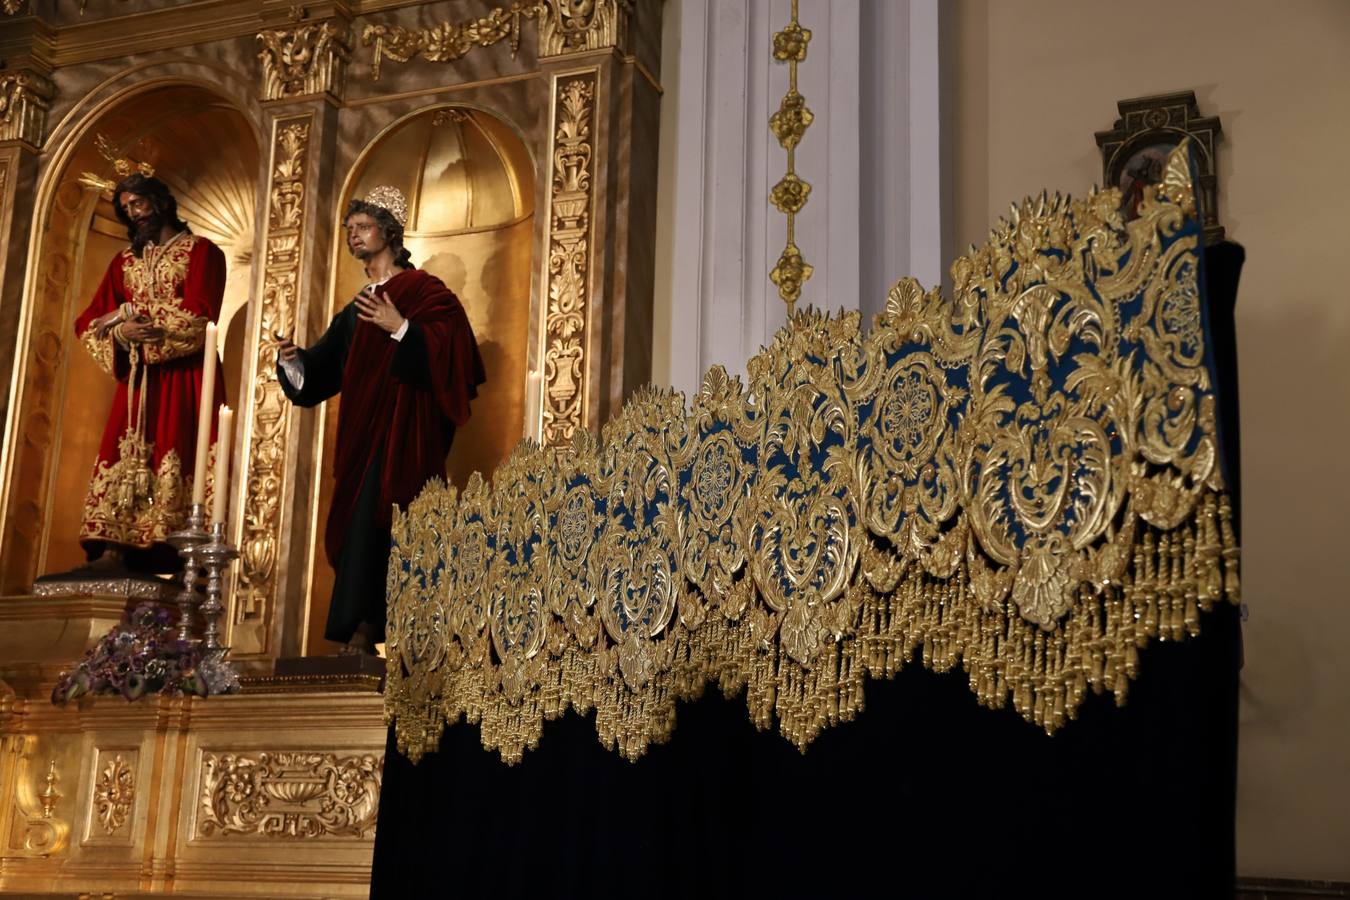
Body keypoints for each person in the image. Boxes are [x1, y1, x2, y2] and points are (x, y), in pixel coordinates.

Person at [277, 186, 485, 655]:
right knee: (356, 523)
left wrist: (402, 329)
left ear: (390, 232)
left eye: (363, 227)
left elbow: (453, 354)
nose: (354, 236)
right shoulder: (357, 307)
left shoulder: (425, 291)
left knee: (386, 521)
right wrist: (294, 360)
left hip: (403, 435)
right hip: (360, 436)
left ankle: (370, 629)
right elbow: (325, 369)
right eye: (349, 230)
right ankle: (360, 627)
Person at [65, 173, 227, 576]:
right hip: (137, 382)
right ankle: (114, 547)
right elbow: (88, 321)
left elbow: (199, 314)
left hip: (186, 378)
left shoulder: (202, 252)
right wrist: (121, 330)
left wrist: (128, 318)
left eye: (138, 204)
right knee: (122, 452)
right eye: (126, 209)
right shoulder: (123, 262)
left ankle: (179, 549)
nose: (133, 214)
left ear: (161, 203)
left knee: (177, 448)